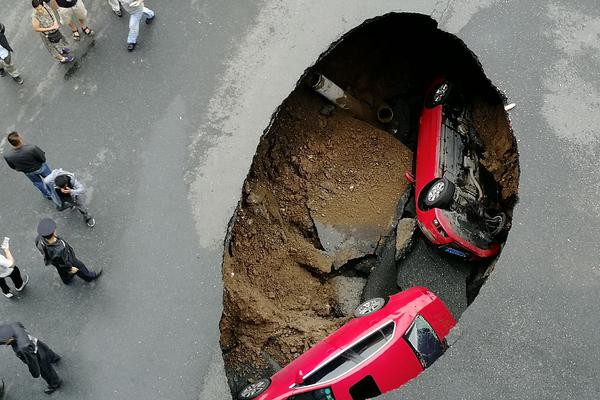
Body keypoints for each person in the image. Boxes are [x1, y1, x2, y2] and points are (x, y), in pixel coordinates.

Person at [35, 218, 102, 284]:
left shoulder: (39, 239)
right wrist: (70, 268)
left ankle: (66, 280)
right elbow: (64, 261)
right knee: (79, 266)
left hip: (53, 261)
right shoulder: (60, 249)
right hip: (69, 260)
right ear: (53, 233)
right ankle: (90, 277)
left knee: (61, 270)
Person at [0, 322, 62, 394]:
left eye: (4, 342)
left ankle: (55, 383)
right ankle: (54, 358)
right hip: (35, 342)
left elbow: (32, 362)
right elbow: (21, 325)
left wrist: (35, 373)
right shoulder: (13, 325)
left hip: (35, 354)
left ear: (10, 339)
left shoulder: (21, 348)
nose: (5, 344)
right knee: (46, 351)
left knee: (44, 369)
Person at [3, 132, 53, 200]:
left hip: (28, 172)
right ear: (20, 139)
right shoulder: (32, 148)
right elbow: (42, 158)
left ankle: (48, 195)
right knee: (50, 178)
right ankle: (56, 190)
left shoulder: (7, 155)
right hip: (40, 167)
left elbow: (12, 166)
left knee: (38, 183)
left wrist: (20, 169)